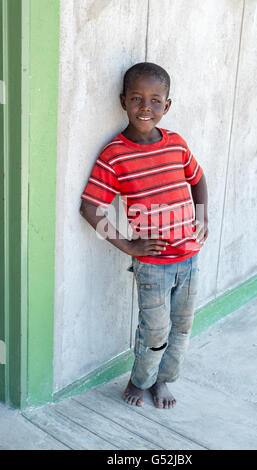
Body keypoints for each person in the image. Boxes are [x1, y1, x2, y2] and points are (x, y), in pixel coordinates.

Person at [80, 62, 208, 409]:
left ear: (167, 106)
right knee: (154, 331)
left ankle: (164, 382)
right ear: (123, 101)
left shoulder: (176, 145)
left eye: (155, 100)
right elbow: (90, 209)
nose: (145, 108)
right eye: (137, 98)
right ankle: (141, 380)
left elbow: (197, 179)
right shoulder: (115, 155)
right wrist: (128, 245)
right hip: (152, 265)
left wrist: (203, 215)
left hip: (190, 260)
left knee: (181, 329)